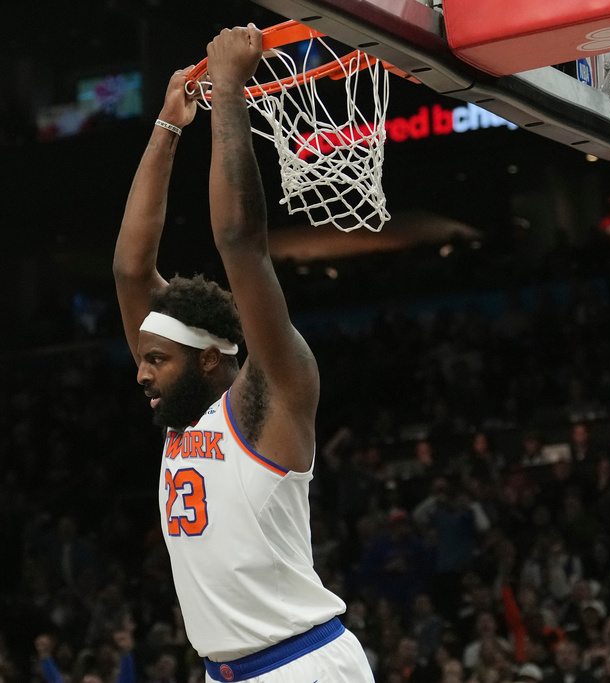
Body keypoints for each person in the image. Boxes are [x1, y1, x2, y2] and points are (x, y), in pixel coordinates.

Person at [112, 25, 374, 682]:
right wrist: (167, 128)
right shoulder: (178, 411)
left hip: (304, 665)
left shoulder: (271, 395)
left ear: (208, 359)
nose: (140, 371)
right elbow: (129, 270)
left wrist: (230, 87)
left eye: (157, 359)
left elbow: (240, 241)